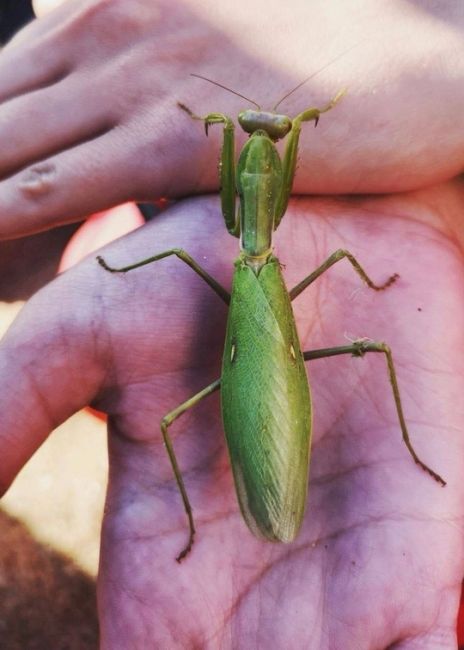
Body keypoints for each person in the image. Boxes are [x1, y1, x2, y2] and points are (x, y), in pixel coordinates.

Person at [1, 1, 464, 647]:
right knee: (362, 351)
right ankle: (207, 521)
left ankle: (398, 455)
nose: (266, 129)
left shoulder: (248, 226)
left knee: (191, 407)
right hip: (257, 296)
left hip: (263, 291)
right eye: (262, 131)